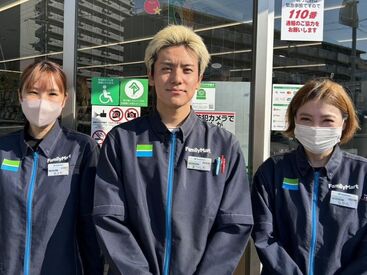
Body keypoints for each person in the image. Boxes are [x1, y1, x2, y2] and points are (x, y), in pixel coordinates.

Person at [93, 24, 253, 275]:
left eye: (187, 70)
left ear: (198, 79)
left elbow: (234, 223)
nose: (177, 78)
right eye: (166, 68)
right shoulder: (122, 140)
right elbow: (109, 216)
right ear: (151, 75)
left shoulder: (223, 145)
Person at [251, 78, 367, 275]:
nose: (316, 128)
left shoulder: (362, 175)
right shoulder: (272, 171)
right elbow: (264, 236)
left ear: (344, 123)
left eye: (327, 120)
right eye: (306, 119)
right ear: (294, 120)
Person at [0, 60, 103, 275]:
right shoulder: (4, 149)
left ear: (64, 100)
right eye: (33, 92)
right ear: (20, 96)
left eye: (52, 94)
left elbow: (90, 226)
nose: (41, 102)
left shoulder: (81, 149)